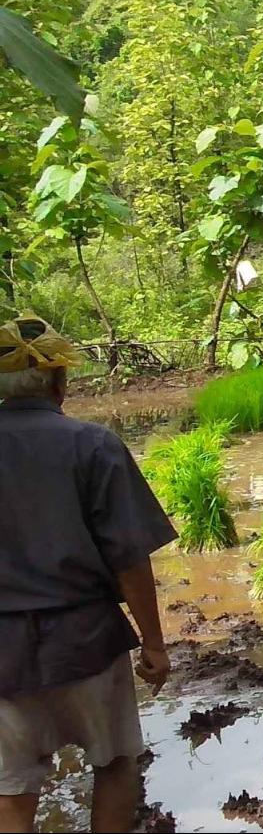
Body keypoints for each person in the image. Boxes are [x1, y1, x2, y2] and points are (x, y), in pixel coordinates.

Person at [0, 315, 176, 834]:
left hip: (2, 651)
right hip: (87, 639)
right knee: (115, 762)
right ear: (59, 382)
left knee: (11, 789)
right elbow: (129, 558)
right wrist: (153, 644)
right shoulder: (94, 445)